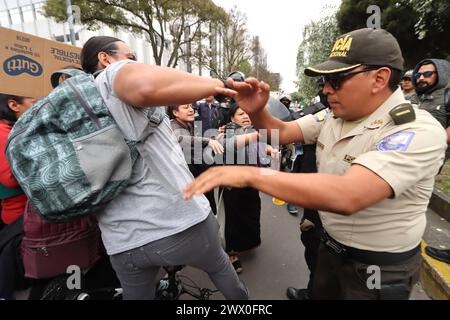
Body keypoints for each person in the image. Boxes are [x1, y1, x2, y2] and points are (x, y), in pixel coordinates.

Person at [184, 28, 448, 300]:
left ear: (379, 78)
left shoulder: (416, 129)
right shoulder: (334, 116)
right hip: (330, 247)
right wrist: (255, 109)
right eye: (325, 80)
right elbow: (281, 132)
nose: (326, 89)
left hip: (376, 267)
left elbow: (349, 194)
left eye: (337, 80)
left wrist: (251, 175)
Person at [80, 36, 248, 300]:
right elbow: (145, 87)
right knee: (221, 270)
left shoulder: (80, 105)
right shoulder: (112, 73)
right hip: (180, 221)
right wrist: (220, 86)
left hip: (122, 238)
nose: (136, 62)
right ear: (105, 58)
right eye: (131, 57)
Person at [219, 103, 273, 273]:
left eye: (248, 113)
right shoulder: (227, 131)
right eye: (241, 113)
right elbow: (234, 144)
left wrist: (271, 150)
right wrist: (259, 134)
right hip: (232, 185)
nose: (245, 116)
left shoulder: (250, 130)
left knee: (250, 215)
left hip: (251, 181)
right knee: (233, 220)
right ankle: (231, 253)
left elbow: (260, 148)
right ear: (231, 117)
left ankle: (245, 244)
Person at [0, 94, 36, 299]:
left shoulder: (13, 131)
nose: (36, 107)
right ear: (13, 105)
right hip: (19, 215)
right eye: (32, 103)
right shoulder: (2, 133)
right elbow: (12, 178)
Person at [167, 103, 224, 214]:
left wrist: (214, 138)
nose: (191, 110)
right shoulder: (173, 126)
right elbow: (182, 138)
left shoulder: (188, 125)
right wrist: (208, 141)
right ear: (175, 113)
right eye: (186, 107)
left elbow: (195, 143)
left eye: (191, 107)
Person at [411, 59, 450, 143]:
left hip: (439, 153)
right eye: (418, 75)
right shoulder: (412, 98)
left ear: (440, 74)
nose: (421, 78)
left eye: (427, 74)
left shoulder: (447, 96)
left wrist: (435, 143)